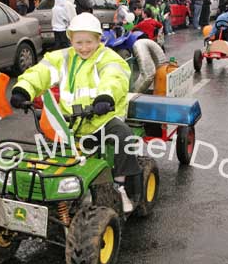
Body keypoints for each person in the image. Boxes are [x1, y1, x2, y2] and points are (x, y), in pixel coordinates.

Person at [9, 13, 140, 212]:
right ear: (70, 40)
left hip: (100, 120)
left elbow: (115, 78)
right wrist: (23, 90)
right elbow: (40, 72)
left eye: (89, 42)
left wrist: (105, 97)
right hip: (68, 122)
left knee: (124, 136)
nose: (84, 47)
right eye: (79, 42)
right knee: (47, 150)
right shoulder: (62, 58)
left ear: (99, 39)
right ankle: (49, 191)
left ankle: (121, 186)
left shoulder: (109, 59)